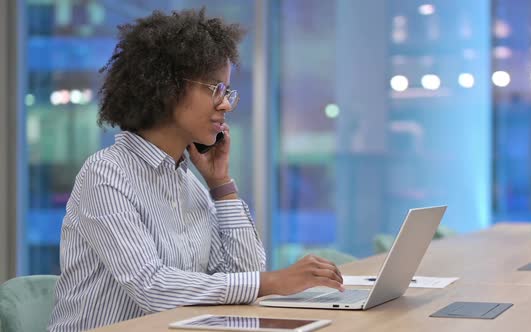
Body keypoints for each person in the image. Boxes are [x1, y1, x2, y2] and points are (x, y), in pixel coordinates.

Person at [48, 8, 344, 332]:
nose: (226, 104)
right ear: (166, 86)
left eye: (227, 91)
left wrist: (221, 185)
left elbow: (242, 273)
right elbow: (152, 286)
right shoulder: (106, 174)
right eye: (214, 88)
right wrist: (269, 282)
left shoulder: (189, 182)